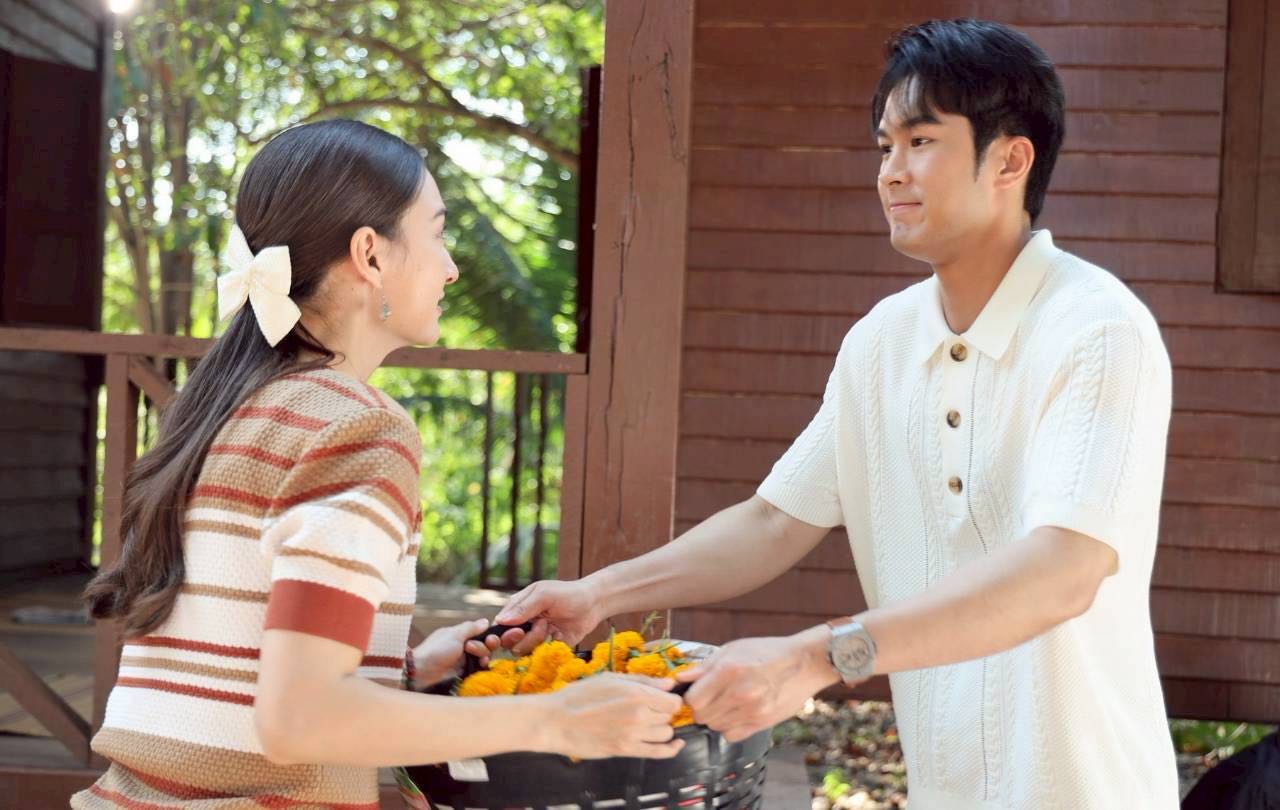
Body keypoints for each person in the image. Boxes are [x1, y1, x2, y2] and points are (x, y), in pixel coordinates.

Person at [496, 19, 1181, 809]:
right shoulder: (883, 341)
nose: (892, 172)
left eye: (921, 141)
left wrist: (816, 657)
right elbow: (774, 522)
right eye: (884, 147)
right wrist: (598, 593)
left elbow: (1062, 573)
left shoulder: (1096, 330)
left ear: (1010, 160)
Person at [73, 119, 684, 809]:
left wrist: (406, 668)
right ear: (370, 253)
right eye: (437, 234)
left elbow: (238, 682)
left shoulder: (219, 409)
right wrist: (555, 718)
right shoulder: (358, 428)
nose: (451, 267)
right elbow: (301, 720)